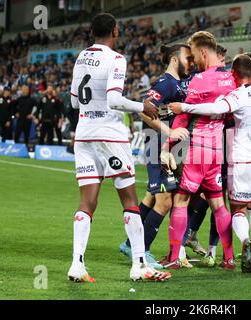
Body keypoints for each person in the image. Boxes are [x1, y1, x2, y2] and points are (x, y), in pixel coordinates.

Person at [170, 54, 251, 272]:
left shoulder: (238, 95)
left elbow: (214, 109)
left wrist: (184, 107)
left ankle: (244, 241)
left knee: (238, 209)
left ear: (233, 74)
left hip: (244, 159)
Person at [67, 13, 170, 283]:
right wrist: (142, 106)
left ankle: (77, 265)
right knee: (129, 200)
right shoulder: (116, 58)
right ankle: (139, 265)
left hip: (85, 133)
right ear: (114, 31)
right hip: (110, 136)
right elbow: (113, 99)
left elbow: (75, 102)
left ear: (91, 33)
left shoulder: (81, 57)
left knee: (87, 202)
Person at [161, 31, 236, 269]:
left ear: (203, 52)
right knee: (218, 204)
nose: (193, 62)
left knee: (181, 201)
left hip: (199, 149)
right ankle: (230, 258)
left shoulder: (199, 80)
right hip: (218, 150)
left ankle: (174, 258)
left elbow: (183, 116)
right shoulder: (231, 79)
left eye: (194, 55)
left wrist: (167, 145)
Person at [118, 43, 194, 269]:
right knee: (165, 201)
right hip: (156, 145)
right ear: (174, 60)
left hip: (167, 148)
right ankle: (141, 247)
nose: (190, 62)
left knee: (152, 196)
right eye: (186, 58)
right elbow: (144, 109)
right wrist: (168, 131)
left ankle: (129, 242)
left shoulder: (178, 83)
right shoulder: (166, 83)